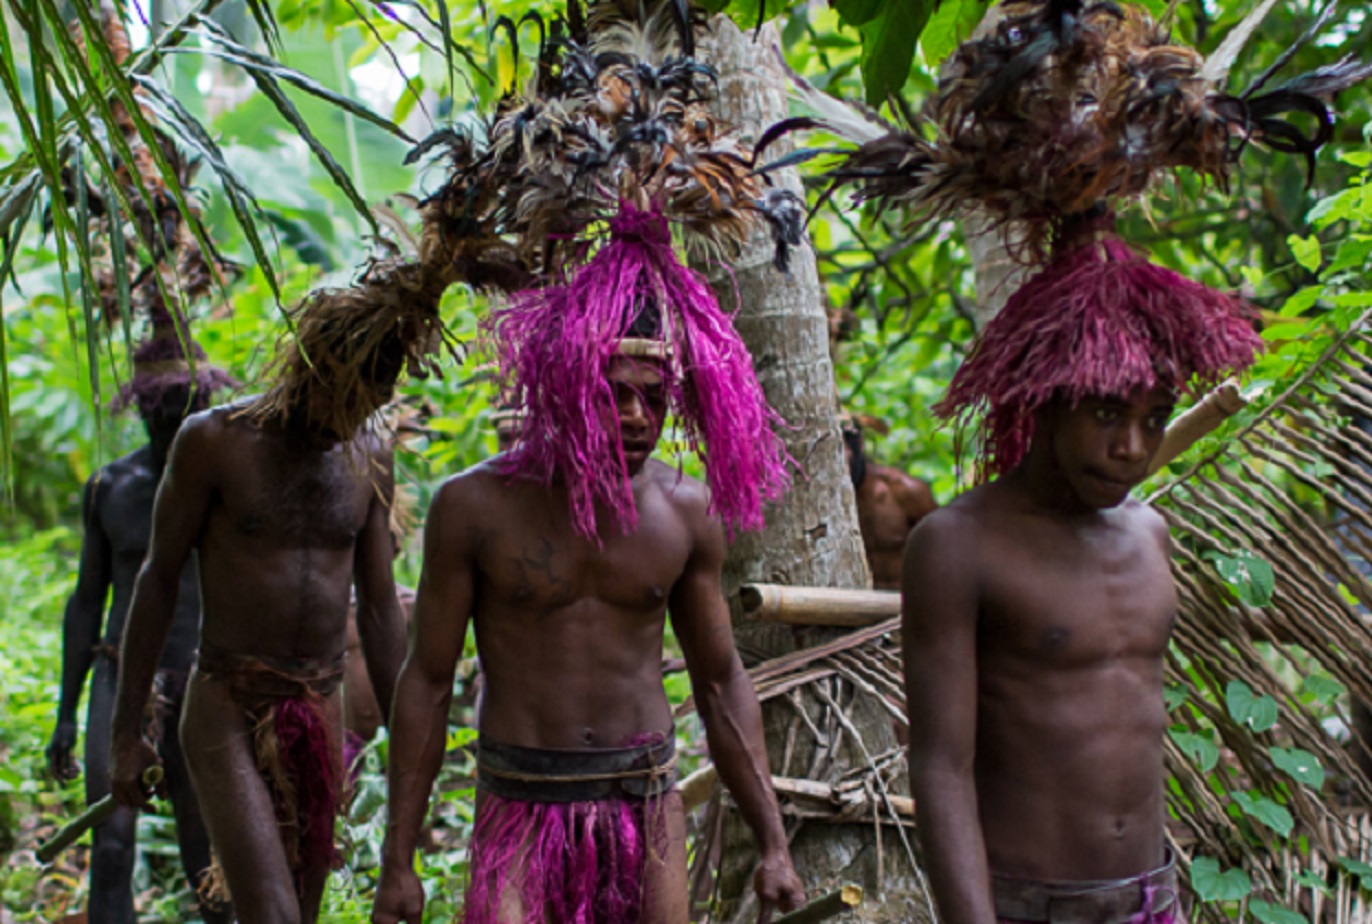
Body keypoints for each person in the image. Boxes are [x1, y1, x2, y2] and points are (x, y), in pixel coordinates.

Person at [108, 259, 445, 924]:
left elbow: (378, 605)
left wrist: (411, 739)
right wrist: (126, 732)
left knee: (304, 907)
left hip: (319, 704)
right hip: (228, 703)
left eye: (373, 403)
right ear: (315, 365)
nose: (354, 419)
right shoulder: (215, 443)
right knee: (274, 915)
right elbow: (158, 580)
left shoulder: (370, 450)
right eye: (349, 398)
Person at [48, 332, 234, 924]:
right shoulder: (112, 489)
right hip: (119, 673)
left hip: (200, 682)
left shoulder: (225, 494)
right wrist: (64, 714)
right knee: (110, 845)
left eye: (179, 406)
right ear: (139, 408)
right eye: (155, 407)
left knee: (205, 852)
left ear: (200, 407)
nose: (167, 420)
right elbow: (86, 604)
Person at [841, 417, 937, 591]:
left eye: (844, 452)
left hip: (906, 602)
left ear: (857, 448)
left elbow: (943, 552)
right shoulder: (827, 505)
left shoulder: (903, 492)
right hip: (857, 604)